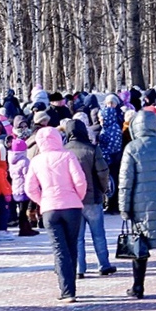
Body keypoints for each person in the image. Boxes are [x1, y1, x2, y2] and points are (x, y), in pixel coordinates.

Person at [119, 110, 156, 300]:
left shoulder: (132, 148)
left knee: (140, 247)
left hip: (141, 207)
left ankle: (138, 287)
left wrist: (124, 208)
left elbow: (125, 182)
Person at [25, 126, 87, 303]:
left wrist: (42, 201)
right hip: (72, 206)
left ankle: (66, 290)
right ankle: (71, 287)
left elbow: (29, 188)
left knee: (59, 250)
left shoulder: (36, 161)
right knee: (71, 246)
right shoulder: (67, 156)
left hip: (50, 208)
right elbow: (80, 181)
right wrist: (77, 198)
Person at [63, 118, 114, 279]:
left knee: (77, 237)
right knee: (98, 233)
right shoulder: (92, 149)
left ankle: (79, 268)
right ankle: (103, 264)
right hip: (92, 198)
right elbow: (102, 172)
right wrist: (104, 189)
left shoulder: (64, 151)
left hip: (72, 199)